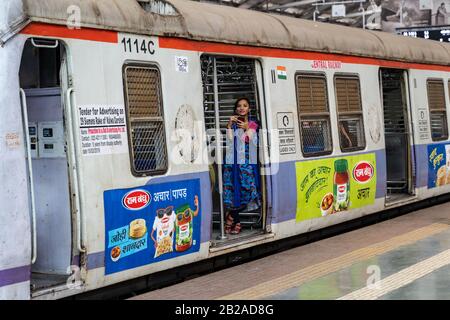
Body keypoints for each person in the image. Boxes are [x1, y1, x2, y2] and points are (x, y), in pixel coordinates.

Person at [222, 98, 261, 235]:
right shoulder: (232, 125)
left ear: (249, 109)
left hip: (245, 164)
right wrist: (228, 126)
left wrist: (247, 128)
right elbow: (230, 141)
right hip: (231, 164)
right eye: (239, 106)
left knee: (249, 191)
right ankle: (237, 222)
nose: (241, 108)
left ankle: (230, 217)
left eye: (245, 105)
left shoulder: (253, 124)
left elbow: (251, 142)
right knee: (232, 193)